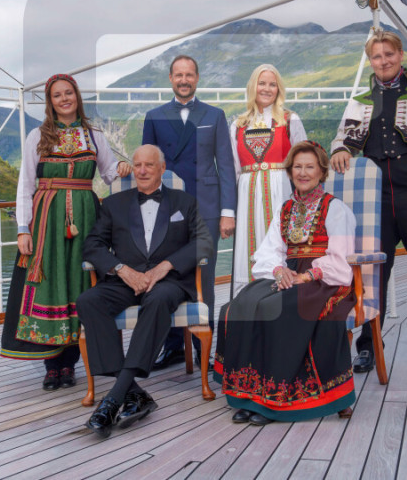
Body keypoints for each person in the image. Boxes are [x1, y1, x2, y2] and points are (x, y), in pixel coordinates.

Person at [330, 31, 407, 377]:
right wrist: (340, 149)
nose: (383, 61)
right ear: (370, 61)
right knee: (371, 278)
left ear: (401, 55)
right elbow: (342, 139)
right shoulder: (358, 102)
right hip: (375, 204)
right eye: (377, 56)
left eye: (389, 54)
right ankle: (368, 346)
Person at [0, 73, 131, 390]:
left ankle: (70, 364)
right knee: (51, 283)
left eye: (68, 93)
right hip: (46, 219)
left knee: (79, 282)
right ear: (50, 102)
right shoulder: (37, 135)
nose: (64, 99)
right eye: (57, 95)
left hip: (86, 217)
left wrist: (122, 168)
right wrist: (23, 228)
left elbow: (109, 173)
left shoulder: (94, 135)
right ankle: (51, 366)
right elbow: (25, 184)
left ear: (77, 96)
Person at [214, 141, 357, 425]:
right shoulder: (285, 209)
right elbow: (270, 250)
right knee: (242, 304)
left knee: (278, 309)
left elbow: (340, 259)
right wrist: (279, 271)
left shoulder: (335, 209)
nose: (303, 173)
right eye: (297, 167)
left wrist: (307, 276)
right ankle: (249, 393)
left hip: (325, 280)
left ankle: (276, 399)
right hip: (288, 274)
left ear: (322, 171)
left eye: (310, 167)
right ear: (290, 172)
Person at [78, 145, 214, 438]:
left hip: (169, 282)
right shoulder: (113, 204)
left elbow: (203, 242)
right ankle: (135, 393)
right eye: (137, 165)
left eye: (149, 165)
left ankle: (113, 399)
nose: (141, 171)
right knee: (88, 300)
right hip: (125, 280)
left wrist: (166, 266)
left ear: (162, 168)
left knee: (158, 300)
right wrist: (121, 270)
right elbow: (93, 245)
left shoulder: (185, 202)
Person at [142, 55, 236, 369]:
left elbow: (226, 166)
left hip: (207, 207)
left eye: (189, 75)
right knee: (166, 276)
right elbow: (147, 169)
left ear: (197, 78)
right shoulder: (154, 117)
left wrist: (228, 211)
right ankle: (172, 347)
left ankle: (202, 349)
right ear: (171, 79)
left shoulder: (215, 115)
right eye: (179, 75)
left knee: (204, 279)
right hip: (165, 209)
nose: (184, 80)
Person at [229, 64, 306, 285]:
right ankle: (248, 296)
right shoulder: (238, 125)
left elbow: (304, 163)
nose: (267, 88)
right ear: (253, 86)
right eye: (261, 83)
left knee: (281, 241)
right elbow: (234, 169)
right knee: (249, 242)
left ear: (278, 89)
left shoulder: (290, 120)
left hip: (281, 190)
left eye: (273, 84)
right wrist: (233, 208)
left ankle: (282, 292)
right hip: (248, 195)